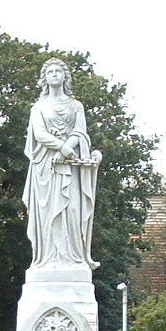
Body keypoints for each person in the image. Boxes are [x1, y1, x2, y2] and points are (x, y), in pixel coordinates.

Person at [22, 57, 101, 270]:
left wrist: (67, 149)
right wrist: (61, 147)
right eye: (50, 72)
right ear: (45, 79)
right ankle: (48, 260)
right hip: (46, 167)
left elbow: (80, 131)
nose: (55, 74)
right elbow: (39, 134)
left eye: (58, 71)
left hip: (70, 165)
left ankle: (72, 258)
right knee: (48, 214)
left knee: (72, 209)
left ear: (65, 77)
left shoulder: (76, 106)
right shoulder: (39, 107)